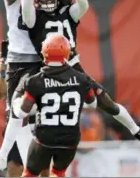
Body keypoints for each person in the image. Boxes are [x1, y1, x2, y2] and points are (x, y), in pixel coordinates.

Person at [20, 0, 140, 153]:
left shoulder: (67, 13)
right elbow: (26, 7)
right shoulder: (33, 19)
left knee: (107, 103)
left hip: (73, 68)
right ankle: (18, 143)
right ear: (35, 0)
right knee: (22, 108)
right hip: (47, 71)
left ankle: (137, 131)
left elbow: (82, 6)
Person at [0, 0, 74, 176]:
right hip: (19, 61)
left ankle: (38, 162)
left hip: (45, 58)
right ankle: (8, 157)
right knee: (16, 112)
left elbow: (66, 3)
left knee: (43, 120)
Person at [13, 34, 97, 177]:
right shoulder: (81, 79)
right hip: (70, 139)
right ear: (67, 52)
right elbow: (93, 104)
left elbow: (21, 113)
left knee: (30, 174)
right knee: (59, 173)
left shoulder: (35, 81)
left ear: (44, 52)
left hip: (44, 138)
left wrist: (16, 102)